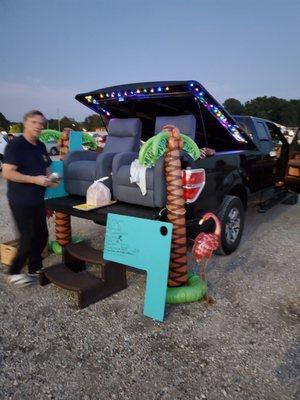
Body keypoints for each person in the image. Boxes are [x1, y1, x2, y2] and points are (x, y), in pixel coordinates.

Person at [2, 110, 56, 286]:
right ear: (25, 123)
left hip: (37, 199)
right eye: (34, 122)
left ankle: (34, 266)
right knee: (28, 237)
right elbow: (8, 173)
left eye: (41, 123)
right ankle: (13, 271)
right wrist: (35, 180)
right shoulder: (16, 145)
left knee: (42, 235)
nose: (38, 126)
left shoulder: (40, 146)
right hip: (20, 200)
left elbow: (46, 167)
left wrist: (50, 179)